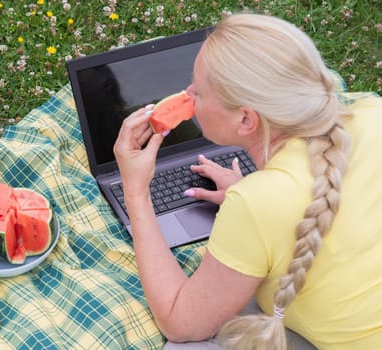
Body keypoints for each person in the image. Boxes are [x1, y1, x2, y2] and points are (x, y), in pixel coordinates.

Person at [113, 13, 382, 350]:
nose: (188, 93)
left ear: (245, 119)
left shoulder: (257, 204)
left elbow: (181, 322)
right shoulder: (373, 112)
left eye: (199, 90)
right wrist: (258, 200)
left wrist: (135, 192)